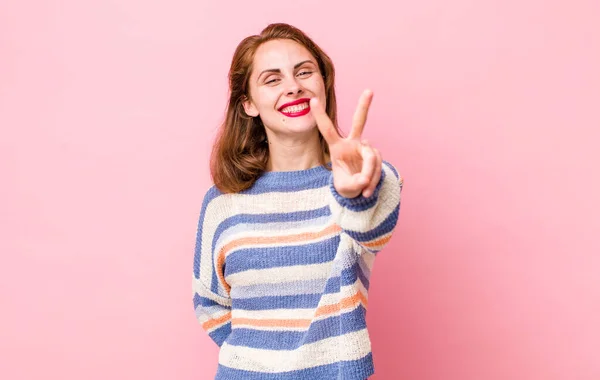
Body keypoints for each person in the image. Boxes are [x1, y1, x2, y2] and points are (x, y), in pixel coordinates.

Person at [192, 22, 404, 379]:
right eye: (272, 79)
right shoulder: (222, 202)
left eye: (305, 72)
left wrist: (352, 193)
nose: (294, 87)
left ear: (323, 84)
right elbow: (209, 302)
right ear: (248, 104)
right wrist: (261, 366)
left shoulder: (362, 175)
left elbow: (372, 226)